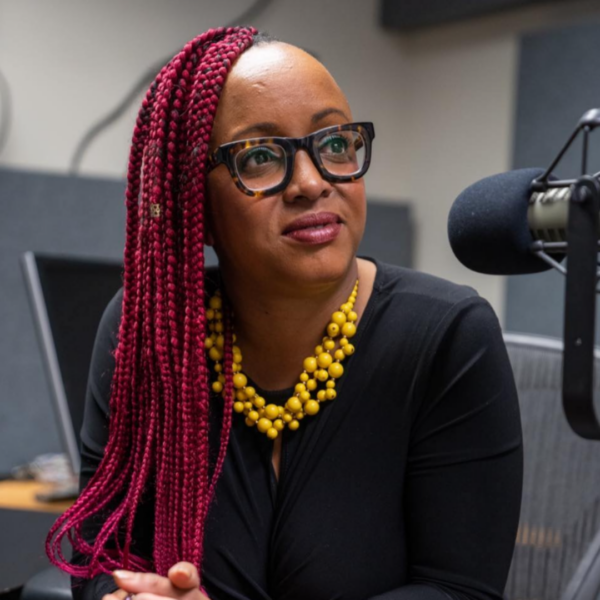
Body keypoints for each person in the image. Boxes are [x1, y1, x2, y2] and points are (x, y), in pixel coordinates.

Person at [47, 27, 523, 600]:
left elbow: (459, 591)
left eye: (336, 144)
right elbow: (100, 549)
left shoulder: (447, 337)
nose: (311, 182)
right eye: (262, 157)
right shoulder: (150, 331)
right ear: (194, 200)